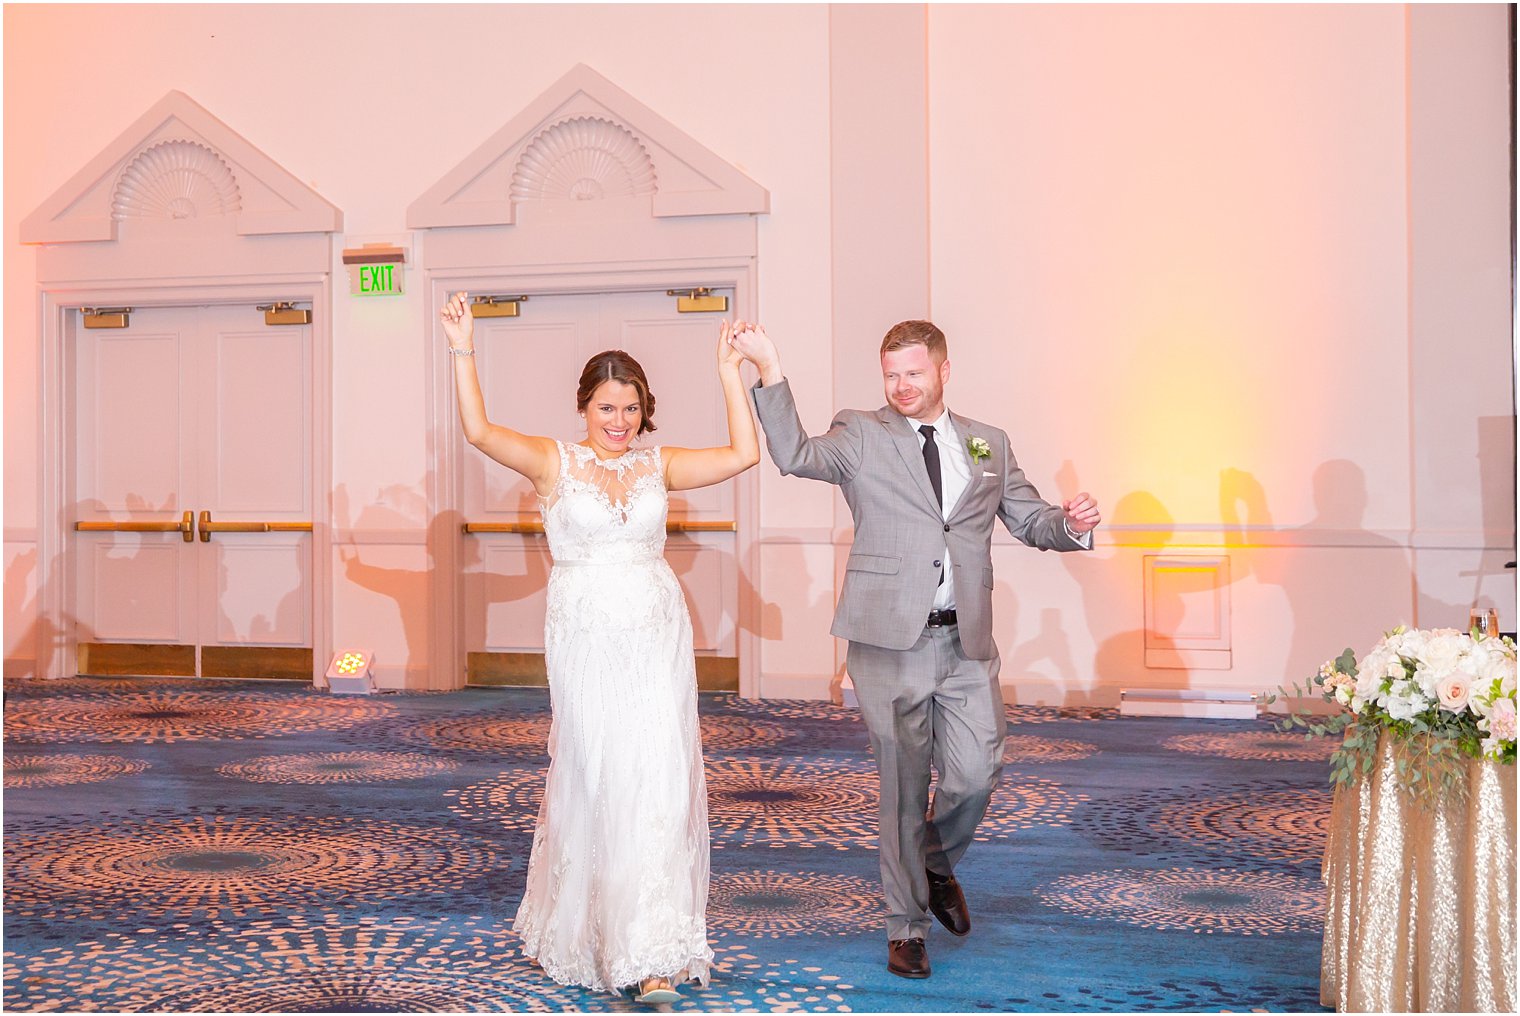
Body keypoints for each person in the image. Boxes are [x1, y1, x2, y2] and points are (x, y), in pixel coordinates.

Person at [730, 319, 1100, 980]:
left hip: (966, 640)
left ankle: (932, 858)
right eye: (891, 375)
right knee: (902, 789)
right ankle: (905, 928)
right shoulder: (862, 434)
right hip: (888, 642)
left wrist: (1069, 525)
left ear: (943, 370)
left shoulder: (988, 444)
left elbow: (1030, 517)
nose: (900, 386)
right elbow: (795, 454)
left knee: (977, 772)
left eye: (913, 373)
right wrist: (770, 370)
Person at [440, 292, 760, 1004]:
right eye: (607, 408)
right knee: (599, 775)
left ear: (645, 410)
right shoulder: (554, 464)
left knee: (657, 779)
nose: (620, 422)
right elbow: (479, 431)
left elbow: (745, 453)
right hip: (584, 631)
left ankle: (647, 950)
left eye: (631, 408)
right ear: (584, 407)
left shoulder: (658, 465)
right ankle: (591, 929)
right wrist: (464, 347)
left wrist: (728, 372)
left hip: (654, 630)